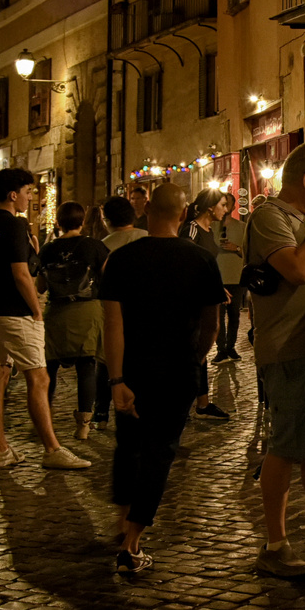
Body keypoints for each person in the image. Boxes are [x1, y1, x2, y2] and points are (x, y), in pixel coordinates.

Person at [101, 184, 226, 574]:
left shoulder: (120, 260)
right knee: (160, 451)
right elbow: (212, 323)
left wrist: (116, 378)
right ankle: (133, 541)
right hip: (177, 369)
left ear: (147, 212)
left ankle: (124, 520)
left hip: (133, 369)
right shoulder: (202, 259)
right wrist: (197, 355)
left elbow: (112, 325)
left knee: (129, 446)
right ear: (184, 211)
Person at [243, 142, 305, 576]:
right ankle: (275, 545)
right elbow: (298, 271)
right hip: (288, 350)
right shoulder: (270, 217)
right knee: (284, 446)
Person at [0, 167, 90, 470]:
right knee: (39, 378)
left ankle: (0, 449)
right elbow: (20, 274)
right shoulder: (14, 225)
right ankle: (52, 449)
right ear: (13, 195)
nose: (31, 197)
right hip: (16, 311)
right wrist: (36, 310)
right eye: (28, 191)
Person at [40, 202, 110, 441]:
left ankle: (44, 418)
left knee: (49, 367)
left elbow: (40, 285)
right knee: (86, 367)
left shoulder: (47, 250)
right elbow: (107, 279)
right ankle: (83, 425)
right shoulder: (95, 246)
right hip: (87, 310)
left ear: (58, 222)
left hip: (56, 311)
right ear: (82, 222)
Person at [183, 189, 232, 419]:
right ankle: (189, 397)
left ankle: (202, 401)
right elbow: (187, 259)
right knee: (196, 344)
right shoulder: (192, 228)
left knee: (203, 341)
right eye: (223, 204)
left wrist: (217, 286)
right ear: (210, 207)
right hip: (193, 297)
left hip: (206, 296)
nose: (226, 209)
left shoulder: (210, 230)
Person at [215, 193, 247, 362]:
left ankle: (231, 347)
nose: (226, 207)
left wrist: (236, 248)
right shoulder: (211, 227)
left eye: (229, 204)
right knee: (218, 317)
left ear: (234, 207)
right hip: (217, 278)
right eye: (223, 204)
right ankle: (221, 349)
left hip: (236, 278)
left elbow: (248, 252)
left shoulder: (242, 227)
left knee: (234, 315)